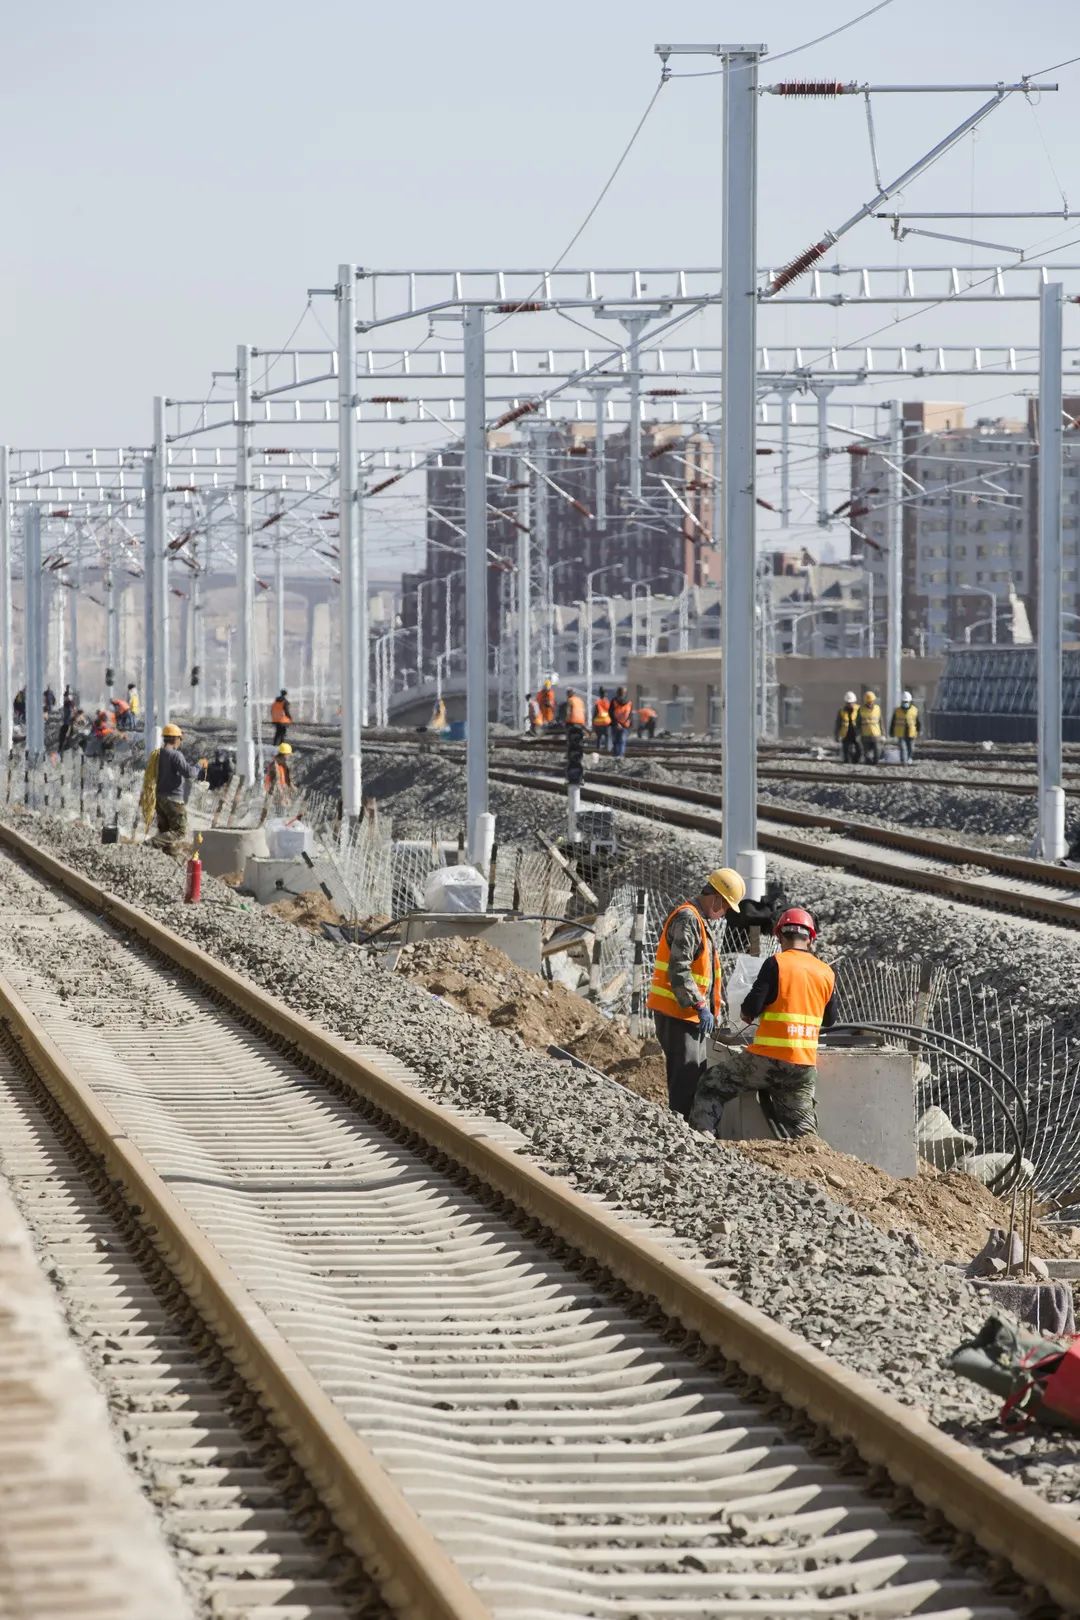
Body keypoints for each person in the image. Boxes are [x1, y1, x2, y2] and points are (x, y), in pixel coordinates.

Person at [690, 907, 837, 1140]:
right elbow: (830, 1020)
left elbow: (749, 1010)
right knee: (801, 1124)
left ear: (780, 936)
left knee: (711, 1084)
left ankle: (702, 1141)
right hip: (803, 1066)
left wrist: (752, 1014)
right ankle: (811, 1156)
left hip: (767, 1060)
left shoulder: (776, 963)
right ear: (810, 938)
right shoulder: (826, 972)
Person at [647, 868, 747, 1119]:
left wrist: (712, 1004)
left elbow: (698, 971)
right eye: (725, 908)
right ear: (716, 899)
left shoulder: (699, 920)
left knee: (693, 1076)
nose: (724, 914)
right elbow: (679, 970)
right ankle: (679, 1132)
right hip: (678, 1014)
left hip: (686, 1015)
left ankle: (684, 1130)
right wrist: (701, 1006)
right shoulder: (688, 919)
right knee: (685, 1080)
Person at [140, 722, 205, 854]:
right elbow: (189, 773)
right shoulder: (176, 755)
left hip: (159, 798)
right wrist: (199, 765)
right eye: (180, 739)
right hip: (173, 800)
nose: (180, 742)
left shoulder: (158, 754)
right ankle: (148, 844)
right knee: (179, 831)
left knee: (165, 831)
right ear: (175, 739)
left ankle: (169, 858)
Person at [890, 689, 921, 764]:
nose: (905, 703)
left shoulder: (915, 710)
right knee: (903, 748)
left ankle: (909, 758)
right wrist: (891, 731)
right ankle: (903, 761)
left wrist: (919, 730)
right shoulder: (897, 711)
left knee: (911, 748)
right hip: (901, 733)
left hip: (911, 733)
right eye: (904, 702)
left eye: (906, 702)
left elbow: (918, 722)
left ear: (909, 702)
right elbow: (893, 722)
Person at [857, 689, 883, 765]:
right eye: (869, 701)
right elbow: (858, 723)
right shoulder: (861, 709)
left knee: (877, 751)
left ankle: (875, 763)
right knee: (866, 753)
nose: (870, 703)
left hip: (876, 735)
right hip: (865, 735)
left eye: (871, 701)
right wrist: (858, 733)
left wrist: (883, 734)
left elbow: (881, 722)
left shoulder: (877, 708)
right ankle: (868, 766)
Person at [835, 690, 861, 764]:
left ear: (854, 702)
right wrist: (837, 735)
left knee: (859, 750)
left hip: (856, 734)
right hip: (846, 734)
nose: (849, 704)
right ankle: (847, 764)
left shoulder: (859, 709)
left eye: (851, 703)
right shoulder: (841, 711)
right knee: (846, 751)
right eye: (848, 703)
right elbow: (838, 724)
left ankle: (855, 762)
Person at [610, 688, 633, 759]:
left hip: (615, 724)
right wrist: (629, 724)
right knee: (622, 741)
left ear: (617, 693)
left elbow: (610, 713)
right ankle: (620, 756)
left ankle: (616, 755)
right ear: (625, 693)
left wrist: (616, 723)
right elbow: (630, 715)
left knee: (615, 741)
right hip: (625, 725)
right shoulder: (629, 702)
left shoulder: (614, 701)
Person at [592, 687, 611, 752]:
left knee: (599, 737)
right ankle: (607, 750)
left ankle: (598, 750)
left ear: (600, 694)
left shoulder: (597, 702)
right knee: (607, 737)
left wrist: (593, 723)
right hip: (606, 722)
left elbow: (595, 713)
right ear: (606, 694)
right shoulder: (608, 702)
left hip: (598, 723)